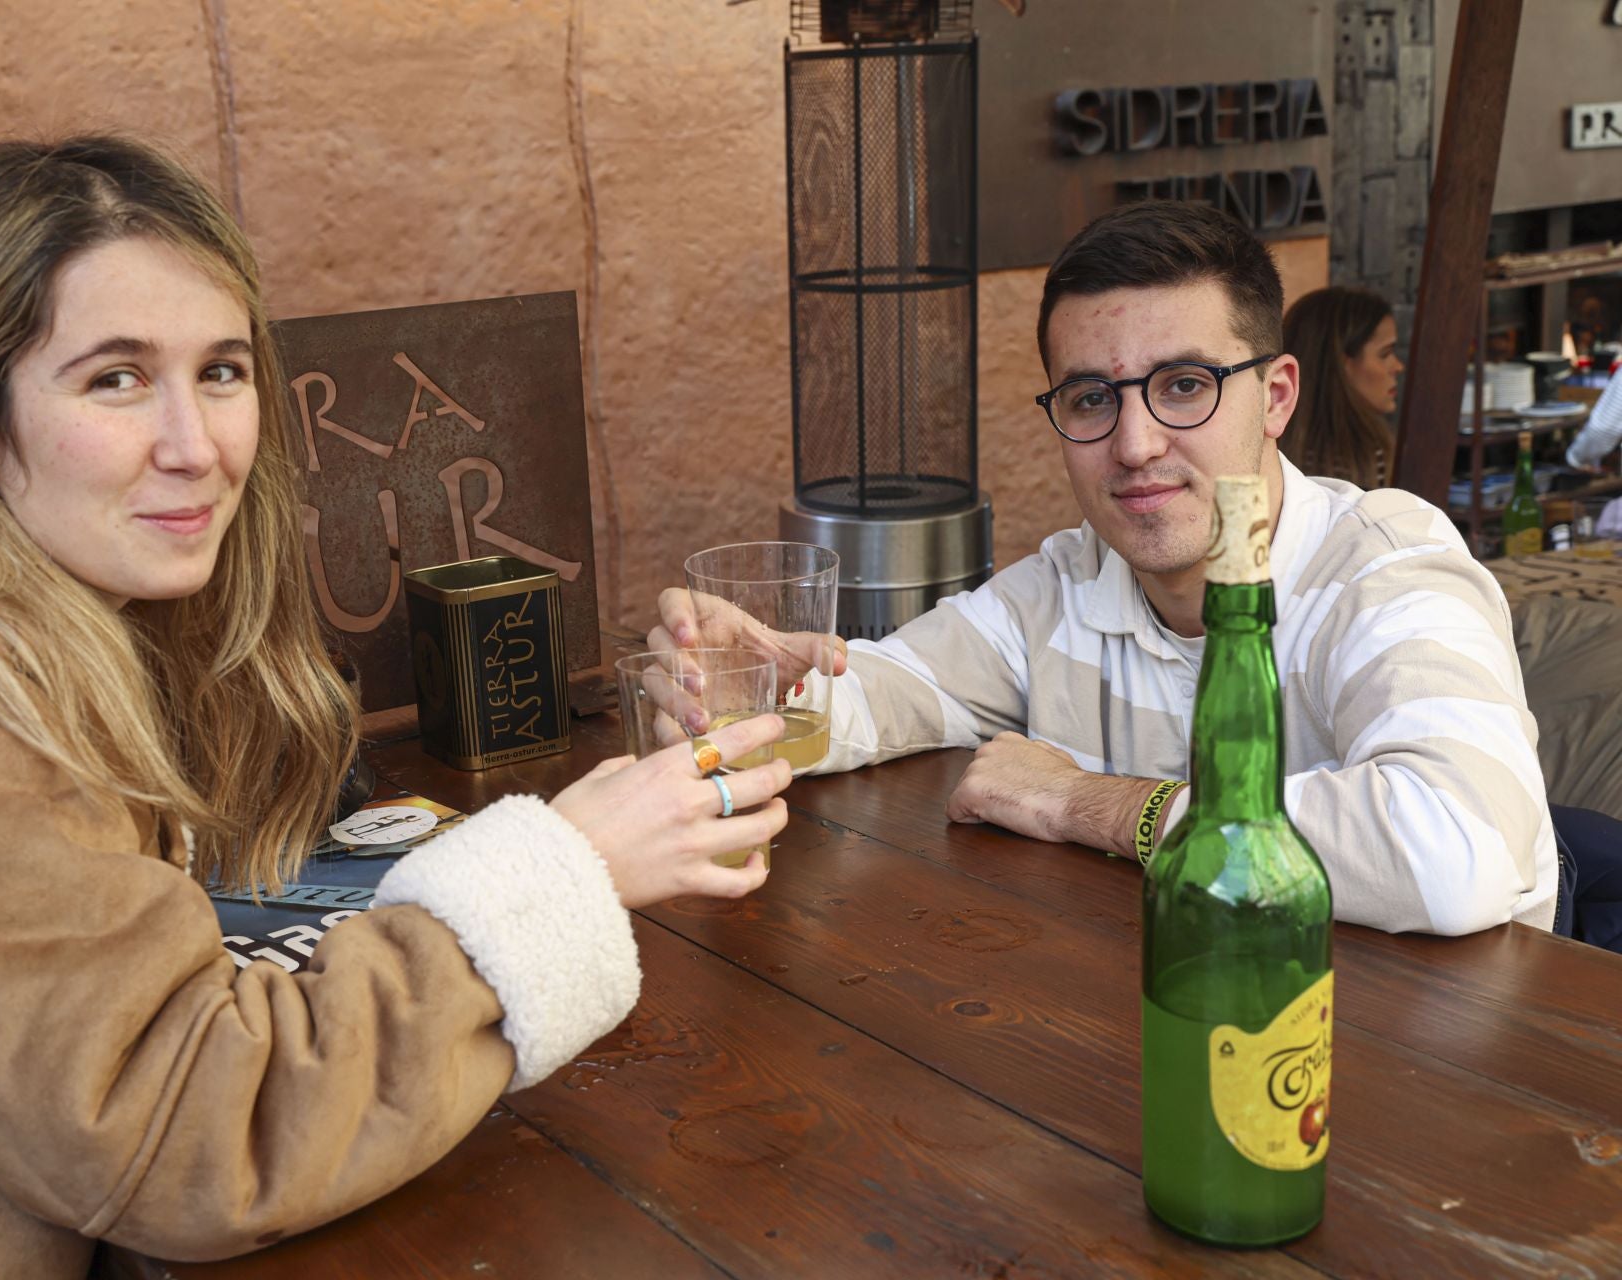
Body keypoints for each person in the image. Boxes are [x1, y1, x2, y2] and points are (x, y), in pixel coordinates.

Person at [0, 135, 792, 1278]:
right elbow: (189, 1138)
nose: (197, 446)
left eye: (221, 371)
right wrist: (568, 869)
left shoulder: (45, 621)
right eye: (115, 377)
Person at [656, 200, 1558, 937]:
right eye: (1092, 397)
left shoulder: (1384, 566)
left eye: (1184, 385)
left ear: (1275, 396)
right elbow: (885, 690)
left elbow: (1454, 854)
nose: (1134, 445)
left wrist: (1089, 803)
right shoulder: (1070, 582)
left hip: (1444, 1090)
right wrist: (747, 689)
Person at [1278, 284, 1401, 487]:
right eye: (1385, 354)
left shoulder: (1272, 450)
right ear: (1342, 364)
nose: (1398, 366)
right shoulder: (1370, 454)